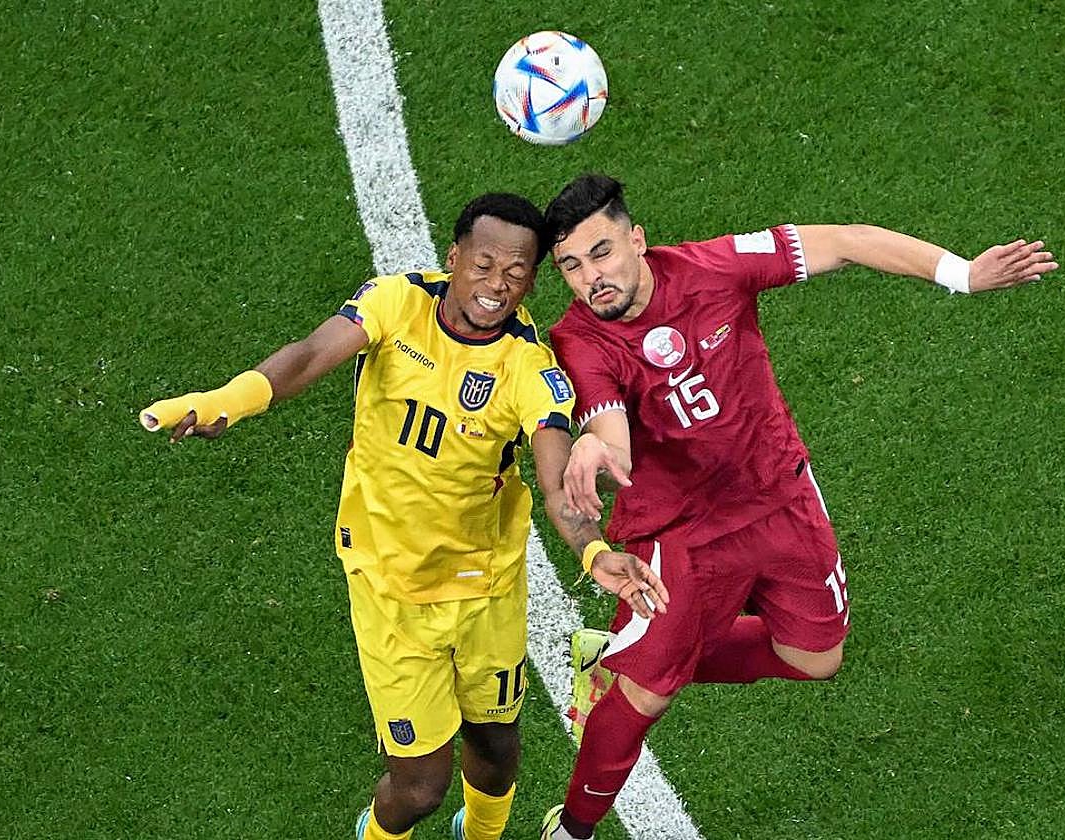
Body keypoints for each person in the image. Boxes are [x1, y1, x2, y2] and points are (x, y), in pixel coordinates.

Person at [537, 174, 1059, 839]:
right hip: (681, 532)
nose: (591, 278)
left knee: (817, 658)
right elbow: (614, 437)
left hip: (778, 492)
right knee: (645, 696)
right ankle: (574, 828)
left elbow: (845, 241)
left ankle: (619, 653)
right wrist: (591, 450)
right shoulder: (580, 340)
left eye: (602, 252)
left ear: (637, 239)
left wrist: (964, 274)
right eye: (572, 267)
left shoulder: (713, 267)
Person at [137, 192, 668, 840]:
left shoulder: (530, 365)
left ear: (533, 280)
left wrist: (593, 552)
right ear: (454, 258)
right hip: (392, 590)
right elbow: (308, 355)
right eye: (483, 263)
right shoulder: (394, 303)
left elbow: (558, 483)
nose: (497, 285)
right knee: (419, 788)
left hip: (486, 590)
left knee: (497, 749)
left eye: (517, 272)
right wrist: (230, 399)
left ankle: (479, 835)